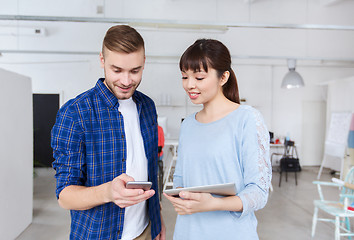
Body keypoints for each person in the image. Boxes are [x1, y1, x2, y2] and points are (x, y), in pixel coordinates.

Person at [51, 25, 165, 240]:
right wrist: (108, 193)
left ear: (144, 63)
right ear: (102, 60)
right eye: (117, 70)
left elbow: (149, 170)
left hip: (146, 230)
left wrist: (157, 219)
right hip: (98, 235)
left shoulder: (147, 107)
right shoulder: (75, 114)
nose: (126, 81)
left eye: (135, 70)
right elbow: (65, 196)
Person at [163, 39, 272, 239]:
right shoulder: (188, 124)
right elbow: (180, 179)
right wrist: (179, 195)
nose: (189, 85)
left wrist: (214, 204)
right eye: (184, 77)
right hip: (187, 232)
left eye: (199, 77)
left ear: (223, 77)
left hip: (230, 233)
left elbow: (258, 192)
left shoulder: (247, 118)